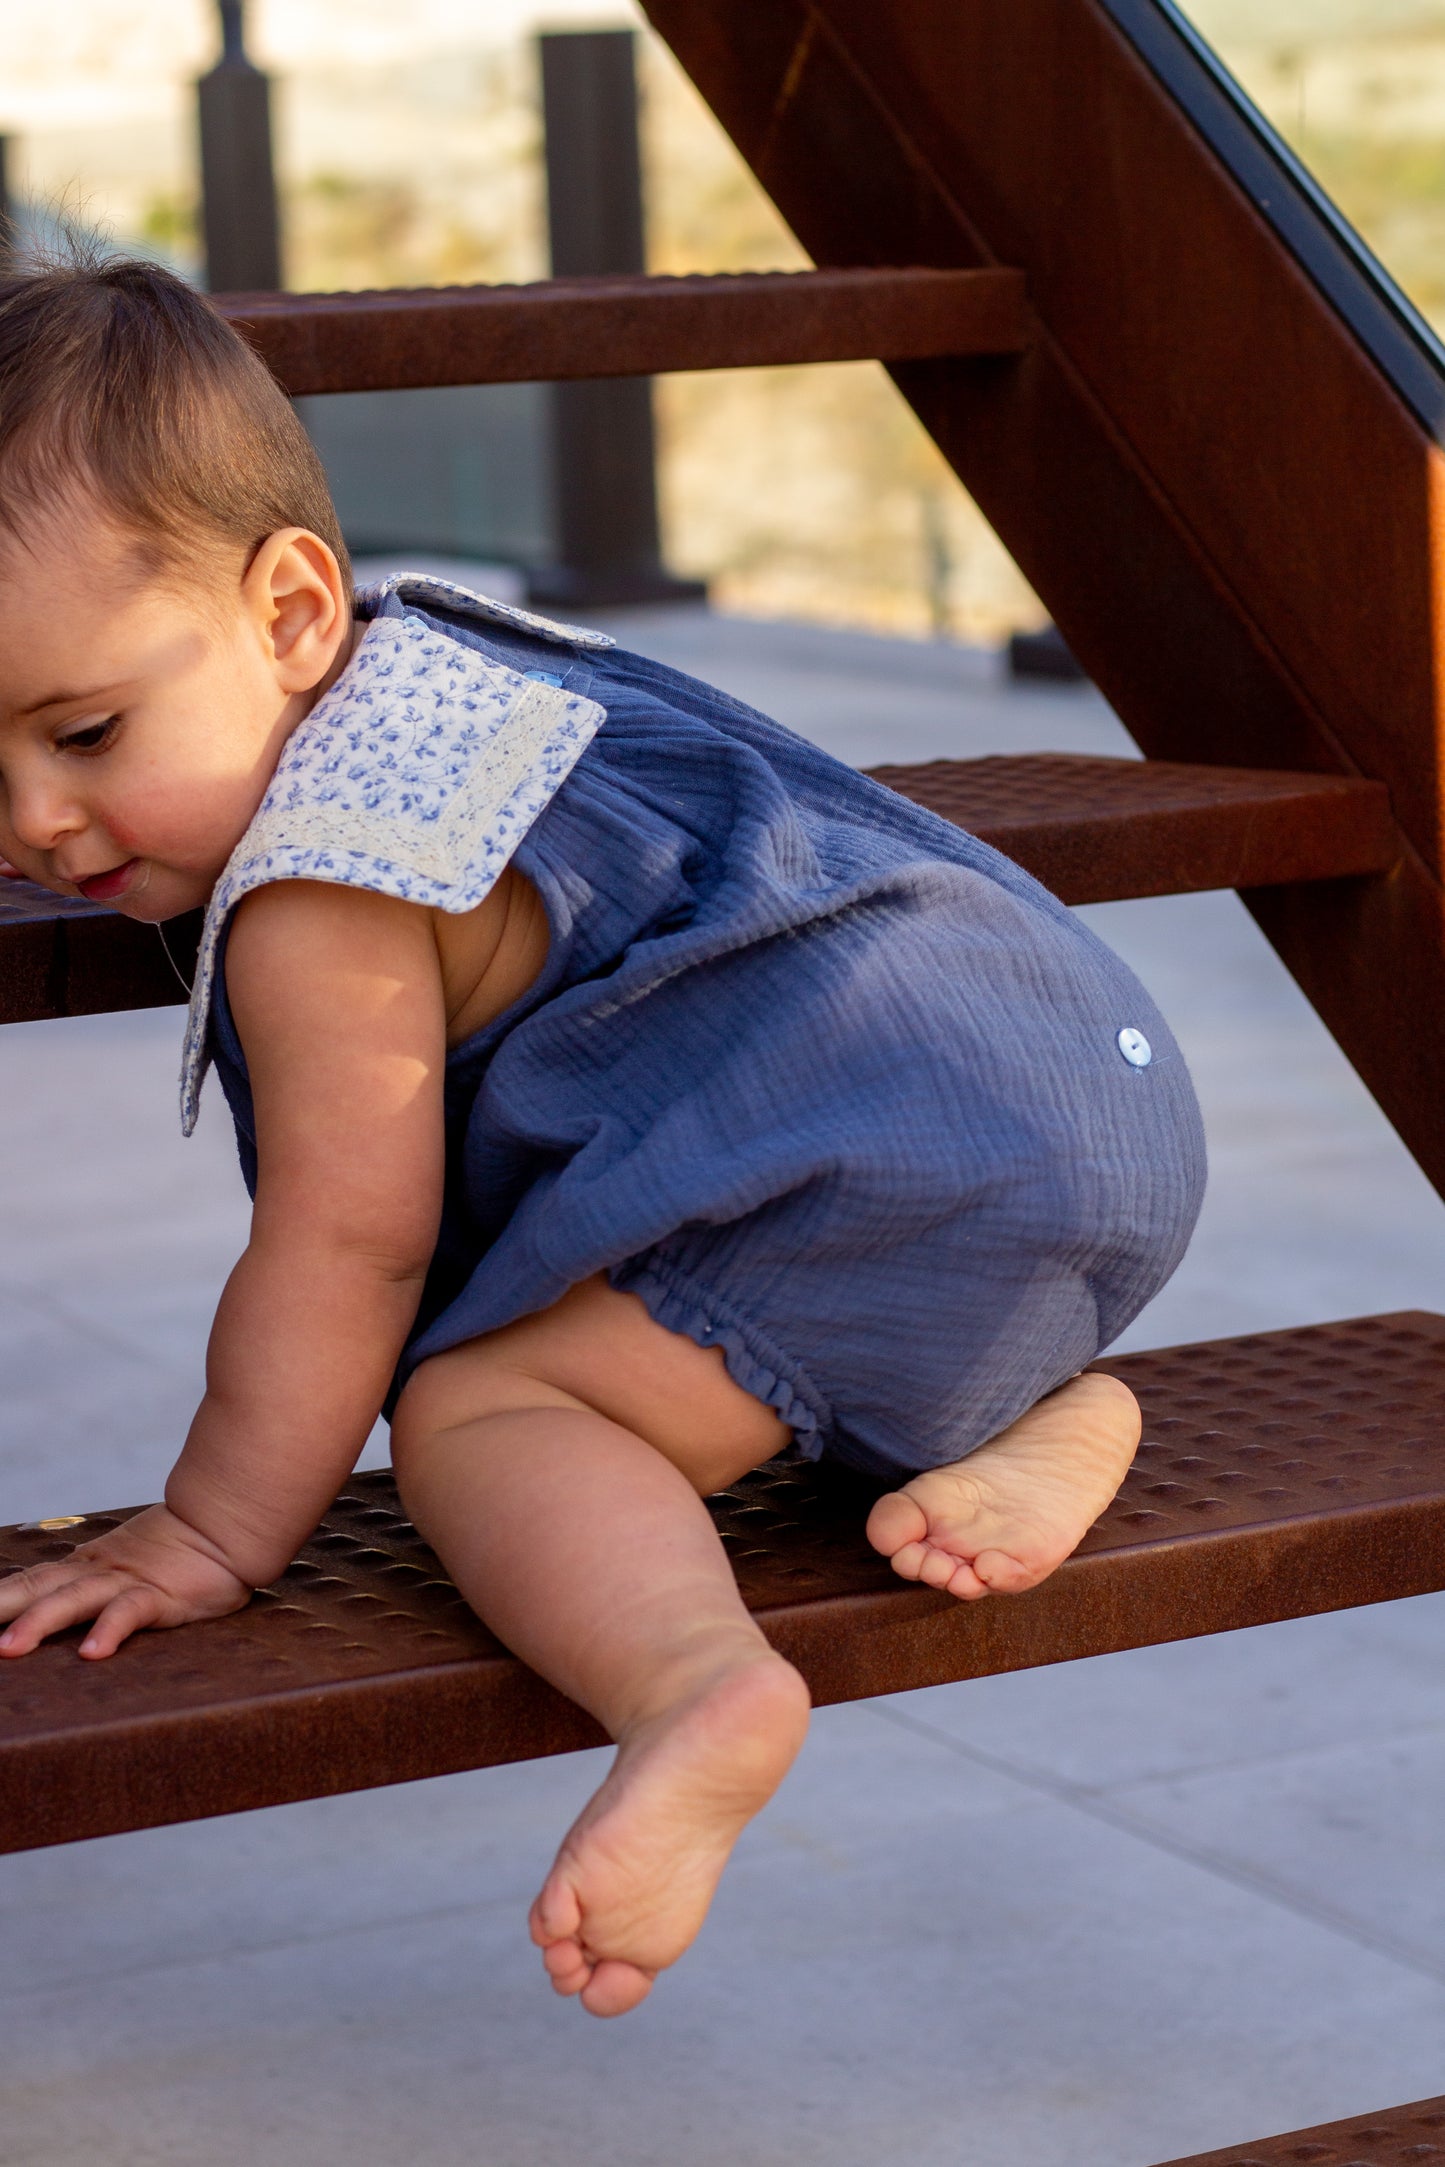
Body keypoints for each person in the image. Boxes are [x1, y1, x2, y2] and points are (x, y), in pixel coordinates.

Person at [0, 258, 1205, 2016]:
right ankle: (1049, 1406)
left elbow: (353, 1240)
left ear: (287, 614)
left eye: (85, 732)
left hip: (879, 1166)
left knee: (488, 1403)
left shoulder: (328, 884)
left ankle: (694, 1687)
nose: (36, 821)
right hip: (1076, 1095)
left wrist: (207, 1532)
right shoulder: (468, 675)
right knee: (720, 1317)